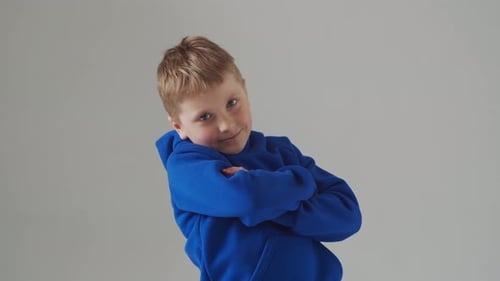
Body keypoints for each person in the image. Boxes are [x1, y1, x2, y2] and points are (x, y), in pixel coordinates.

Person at [155, 36, 362, 281]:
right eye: (205, 117)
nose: (226, 124)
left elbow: (347, 215)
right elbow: (246, 197)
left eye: (232, 103)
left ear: (245, 89)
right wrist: (301, 184)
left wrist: (278, 199)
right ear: (179, 126)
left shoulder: (281, 151)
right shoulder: (186, 168)